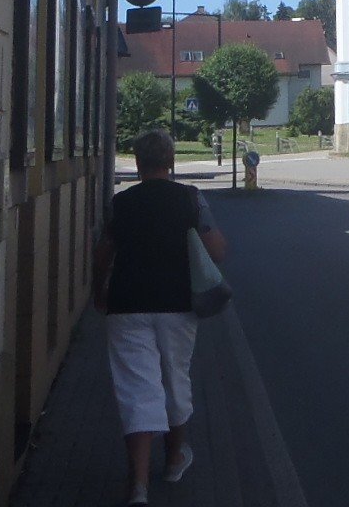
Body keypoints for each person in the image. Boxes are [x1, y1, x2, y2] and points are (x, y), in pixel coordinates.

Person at [94, 128, 227, 502]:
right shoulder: (190, 199)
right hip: (177, 305)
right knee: (174, 379)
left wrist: (97, 290)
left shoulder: (121, 203)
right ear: (170, 162)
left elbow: (103, 253)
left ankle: (137, 484)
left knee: (137, 389)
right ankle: (173, 459)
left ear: (137, 164)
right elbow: (217, 251)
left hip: (127, 305)